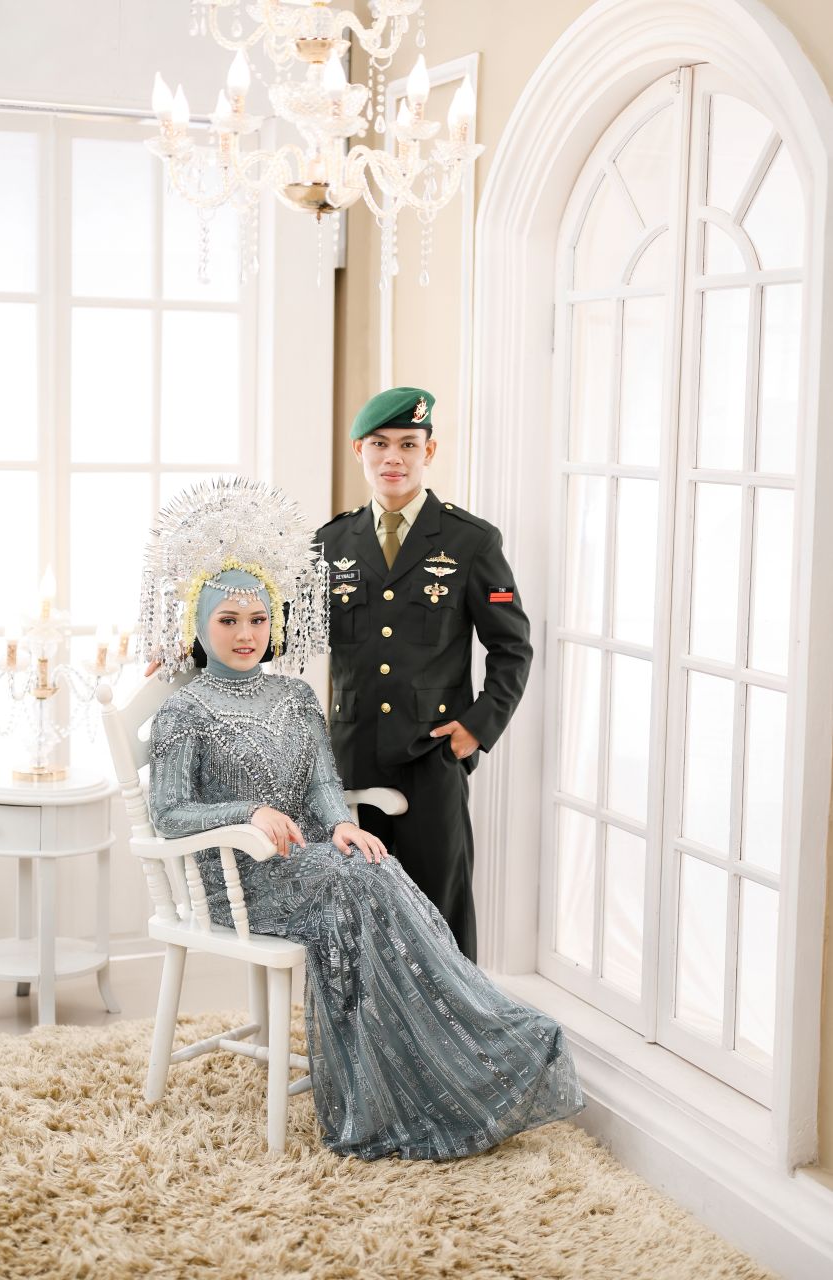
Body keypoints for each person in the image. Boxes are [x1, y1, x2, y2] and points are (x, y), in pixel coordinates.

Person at [142, 477, 582, 1162]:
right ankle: (446, 1050)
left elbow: (323, 784)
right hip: (237, 883)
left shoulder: (295, 696)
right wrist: (249, 811)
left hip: (307, 863)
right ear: (199, 626)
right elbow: (169, 815)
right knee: (360, 881)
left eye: (257, 619)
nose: (246, 634)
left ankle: (437, 1057)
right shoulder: (183, 709)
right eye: (226, 621)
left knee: (370, 861)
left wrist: (339, 824)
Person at [316, 387, 532, 961]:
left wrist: (476, 729)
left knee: (439, 908)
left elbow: (512, 647)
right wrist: (194, 645)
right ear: (359, 451)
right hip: (353, 754)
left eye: (408, 445)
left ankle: (452, 1017)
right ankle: (365, 1016)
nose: (394, 457)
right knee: (356, 911)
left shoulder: (470, 540)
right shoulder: (331, 543)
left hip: (431, 756)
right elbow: (280, 631)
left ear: (428, 452)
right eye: (380, 444)